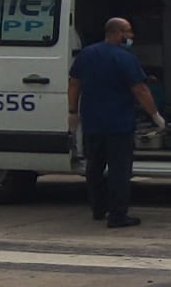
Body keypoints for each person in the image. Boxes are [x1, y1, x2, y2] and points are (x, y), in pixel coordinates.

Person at [67, 16, 165, 229]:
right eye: (128, 32)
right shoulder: (125, 58)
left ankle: (98, 208)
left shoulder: (87, 54)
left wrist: (73, 111)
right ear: (117, 33)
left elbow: (74, 84)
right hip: (118, 123)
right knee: (119, 171)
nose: (131, 36)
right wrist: (155, 115)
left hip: (92, 122)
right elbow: (140, 89)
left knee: (94, 167)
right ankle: (118, 215)